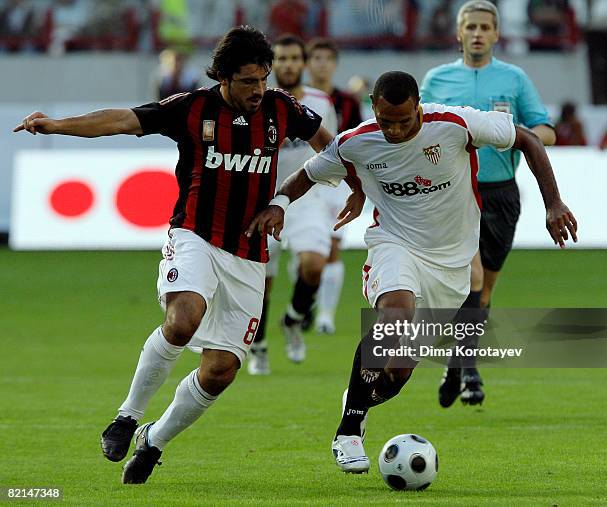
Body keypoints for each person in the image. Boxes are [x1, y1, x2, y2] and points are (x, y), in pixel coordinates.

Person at [13, 26, 359, 485]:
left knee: (220, 371)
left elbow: (328, 146)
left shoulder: (282, 108)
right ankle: (127, 416)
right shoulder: (192, 107)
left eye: (263, 79)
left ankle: (153, 440)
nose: (259, 90)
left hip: (249, 254)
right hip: (195, 233)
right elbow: (121, 120)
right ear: (224, 77)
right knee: (183, 320)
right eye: (248, 82)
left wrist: (326, 191)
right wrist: (58, 125)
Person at [247, 70, 577, 474]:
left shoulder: (455, 124)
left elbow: (526, 138)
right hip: (395, 245)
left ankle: (360, 397)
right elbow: (309, 173)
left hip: (451, 265)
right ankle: (349, 431)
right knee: (395, 320)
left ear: (419, 108)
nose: (396, 130)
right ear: (375, 108)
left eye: (405, 120)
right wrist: (280, 202)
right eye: (387, 121)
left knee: (395, 376)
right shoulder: (359, 140)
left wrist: (554, 203)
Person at [420, 0, 557, 408]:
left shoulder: (514, 79)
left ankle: (458, 362)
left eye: (485, 27)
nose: (478, 33)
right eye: (471, 27)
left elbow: (544, 130)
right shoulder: (437, 78)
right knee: (471, 277)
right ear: (459, 33)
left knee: (485, 287)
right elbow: (416, 125)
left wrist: (513, 134)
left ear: (496, 34)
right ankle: (467, 368)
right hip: (453, 193)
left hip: (502, 192)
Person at [247, 34, 338, 375]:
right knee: (261, 284)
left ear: (304, 63)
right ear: (272, 66)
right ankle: (258, 347)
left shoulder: (320, 102)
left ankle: (293, 321)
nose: (287, 65)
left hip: (304, 198)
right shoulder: (257, 101)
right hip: (260, 202)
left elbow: (331, 150)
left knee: (314, 266)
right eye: (280, 59)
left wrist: (338, 193)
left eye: (293, 59)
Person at [306, 37, 363, 335]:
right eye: (316, 58)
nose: (322, 64)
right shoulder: (296, 100)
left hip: (337, 182)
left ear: (334, 64)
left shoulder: (347, 102)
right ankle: (306, 302)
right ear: (307, 63)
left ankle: (325, 314)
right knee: (308, 249)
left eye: (327, 59)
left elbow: (358, 141)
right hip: (305, 179)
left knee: (333, 245)